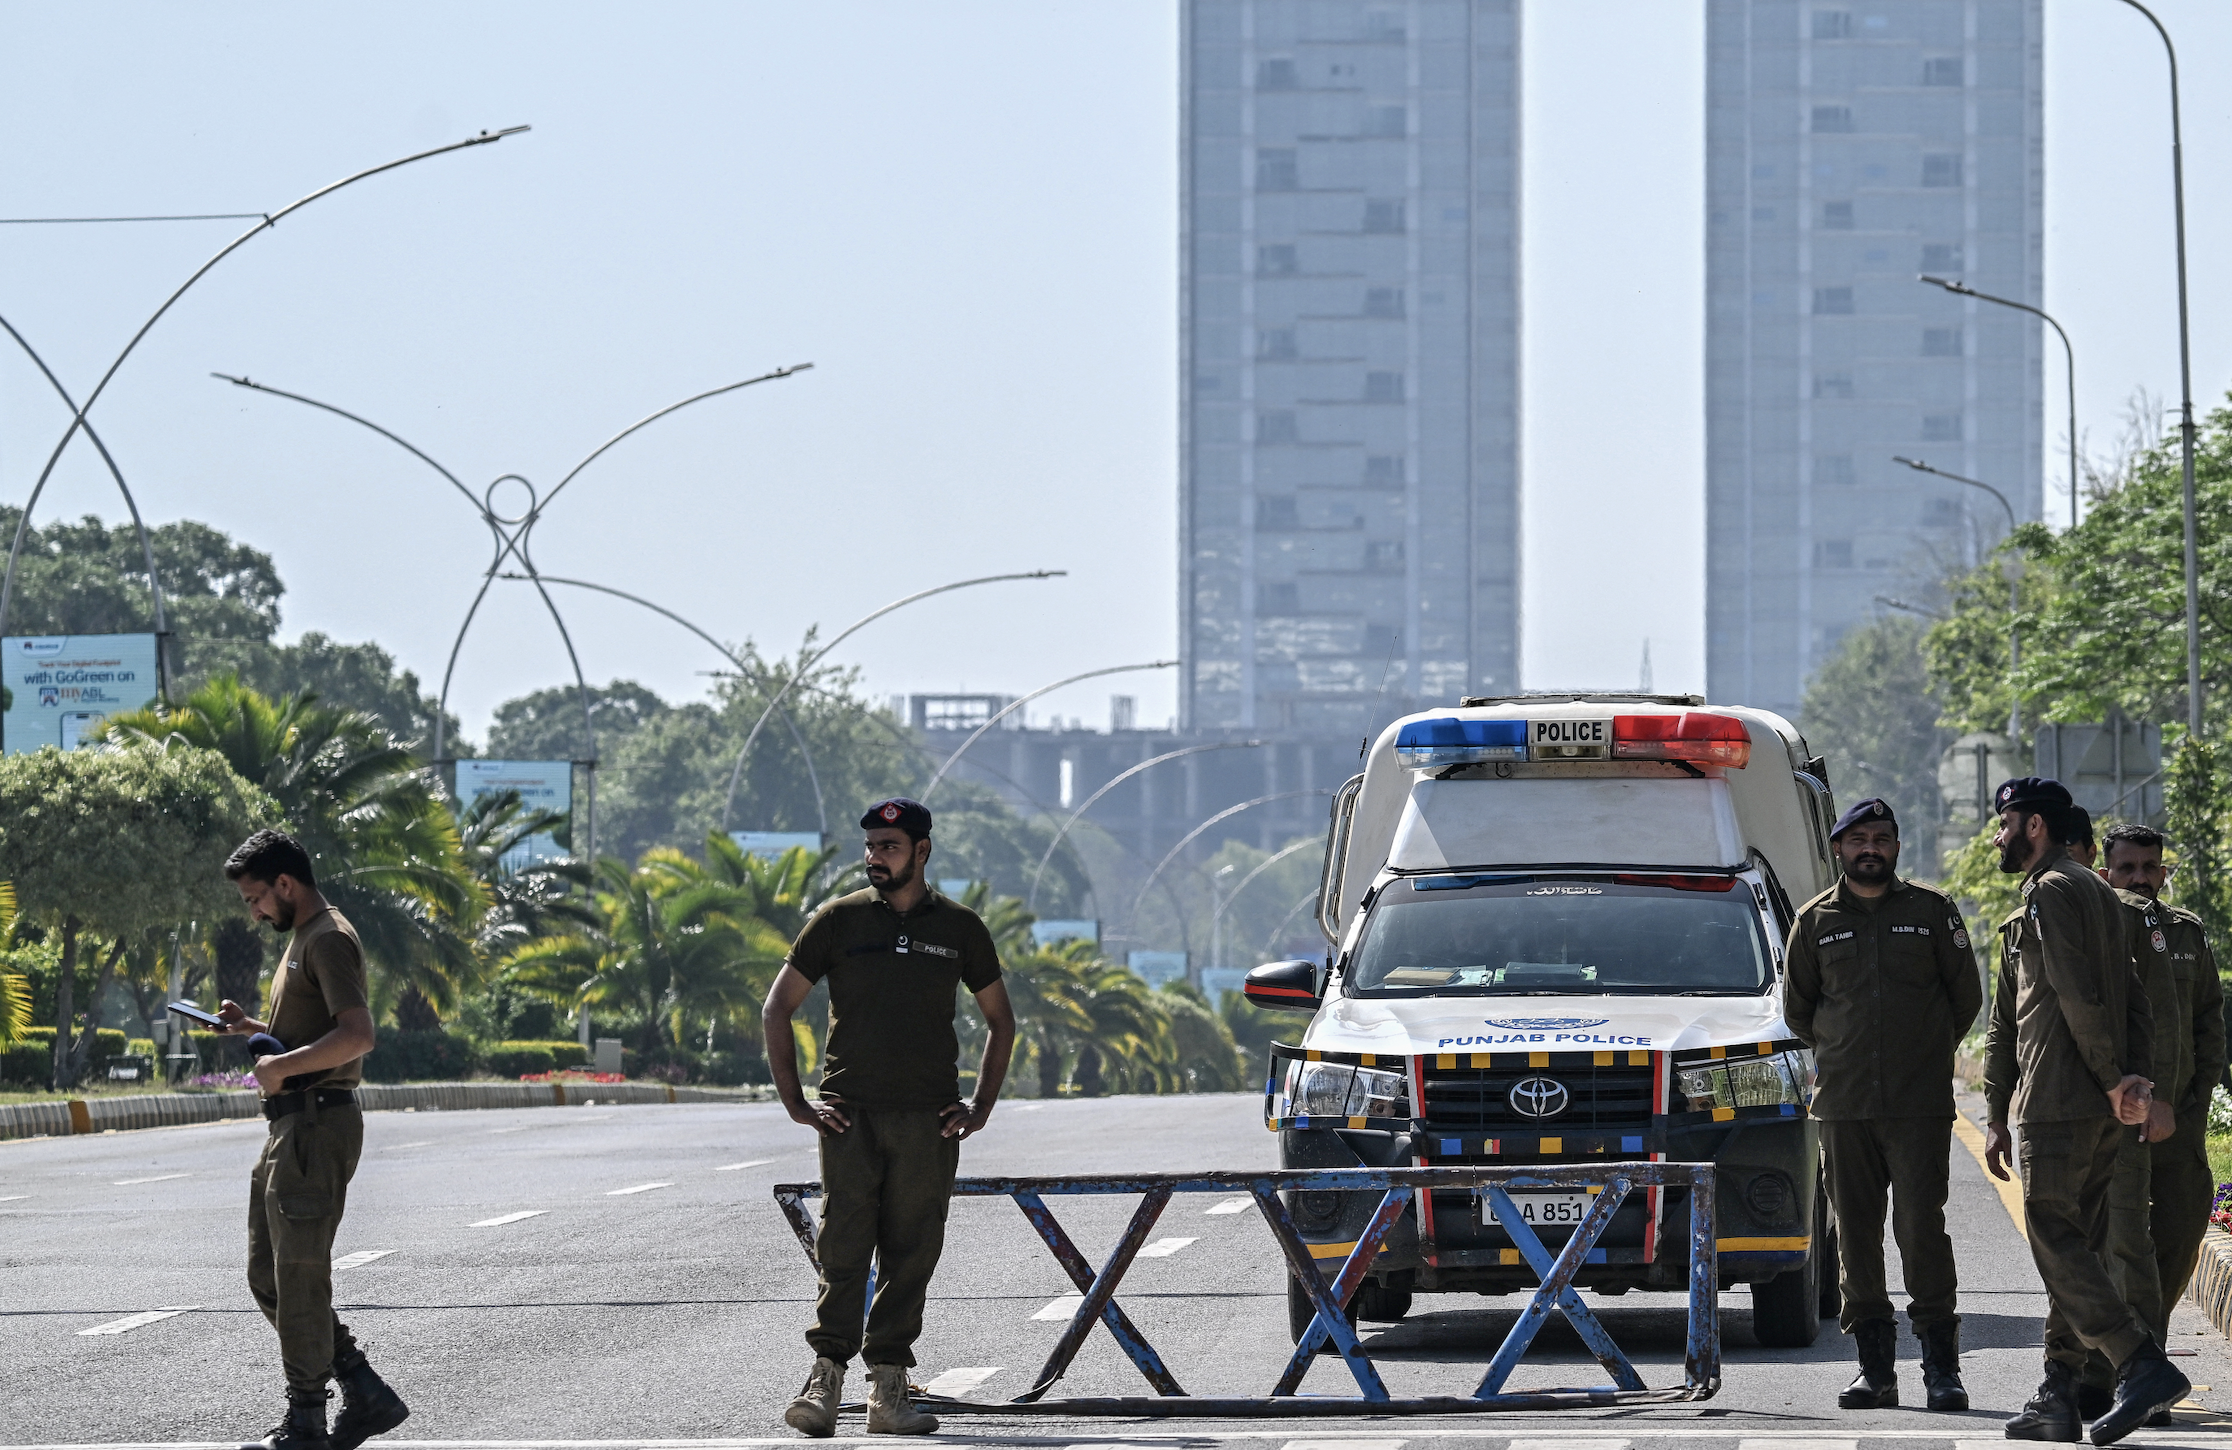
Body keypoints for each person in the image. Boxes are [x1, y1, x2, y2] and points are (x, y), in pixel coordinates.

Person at [767, 798, 1017, 1437]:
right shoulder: (839, 921)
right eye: (872, 846)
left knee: (912, 1252)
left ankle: (888, 1391)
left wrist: (980, 1106)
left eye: (891, 847)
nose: (877, 857)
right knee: (843, 1246)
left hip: (927, 1120)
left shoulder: (960, 928)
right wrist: (797, 1103)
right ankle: (825, 1379)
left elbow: (999, 1020)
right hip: (851, 1116)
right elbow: (778, 1007)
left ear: (923, 850)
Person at [1977, 778, 2178, 1444]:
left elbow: (2073, 994)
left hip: (2062, 1099)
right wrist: (2132, 1081)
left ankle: (2137, 1359)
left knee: (2055, 1238)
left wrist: (2114, 1078)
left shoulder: (2051, 890)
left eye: (2004, 824)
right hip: (2094, 1105)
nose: (1998, 836)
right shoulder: (2095, 889)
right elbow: (2134, 1002)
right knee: (2081, 1248)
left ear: (2034, 825)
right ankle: (2059, 1393)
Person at [1783, 797, 1981, 1412]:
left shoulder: (1931, 912)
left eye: (1883, 838)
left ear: (1898, 847)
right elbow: (1799, 1010)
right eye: (1859, 838)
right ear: (1839, 849)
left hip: (1917, 1107)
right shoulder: (1814, 922)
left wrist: (1918, 1055)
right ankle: (1876, 1370)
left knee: (1922, 1230)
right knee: (1857, 1238)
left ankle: (1941, 1370)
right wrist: (1848, 1054)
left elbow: (1964, 998)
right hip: (1843, 1106)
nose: (1871, 847)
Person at [217, 829, 408, 1450]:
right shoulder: (303, 937)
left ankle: (307, 1423)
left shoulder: (327, 938)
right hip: (291, 1124)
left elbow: (357, 1035)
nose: (254, 912)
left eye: (255, 899)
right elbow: (312, 1029)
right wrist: (256, 1030)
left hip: (315, 1125)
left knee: (297, 1275)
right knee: (268, 1275)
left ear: (285, 883)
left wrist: (281, 1068)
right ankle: (362, 1385)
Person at [2101, 823, 2227, 1346]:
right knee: (2114, 1244)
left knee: (2180, 1230)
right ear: (2104, 873)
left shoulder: (2186, 933)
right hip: (2106, 1125)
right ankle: (2133, 1358)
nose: (2139, 878)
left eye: (2150, 867)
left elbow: (2208, 1025)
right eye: (2127, 868)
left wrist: (2185, 1110)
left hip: (2175, 1122)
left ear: (2164, 871)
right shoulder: (2089, 931)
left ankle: (2149, 1335)